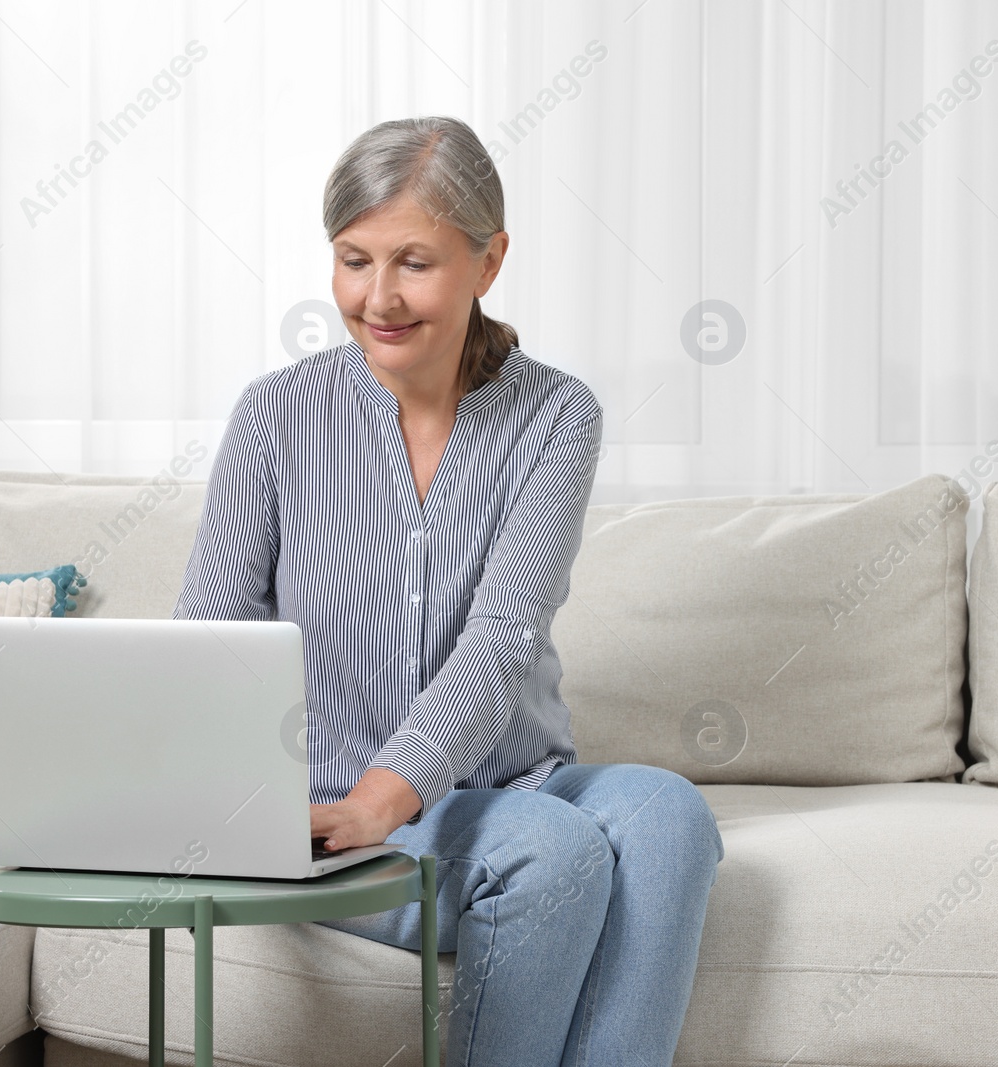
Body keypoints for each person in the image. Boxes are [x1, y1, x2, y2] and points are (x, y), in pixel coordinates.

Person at [174, 115, 724, 1067]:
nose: (377, 297)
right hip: (327, 802)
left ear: (489, 260)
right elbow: (209, 641)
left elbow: (505, 634)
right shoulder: (278, 415)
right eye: (354, 260)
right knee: (553, 854)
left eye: (414, 263)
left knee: (671, 818)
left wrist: (395, 793)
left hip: (509, 784)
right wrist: (317, 807)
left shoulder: (555, 415)